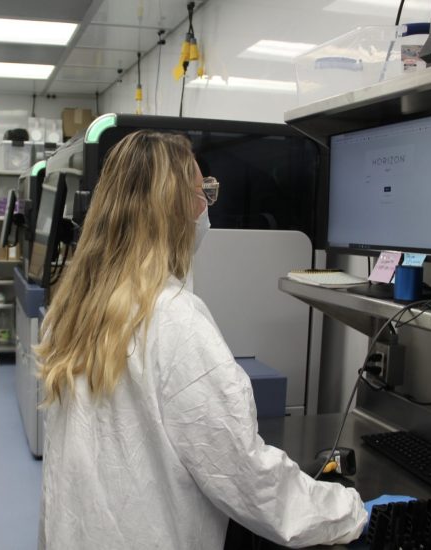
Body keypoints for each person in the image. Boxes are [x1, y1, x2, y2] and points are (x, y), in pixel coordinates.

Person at [36, 130, 411, 549]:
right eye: (203, 194)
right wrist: (349, 511)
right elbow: (241, 474)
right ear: (174, 210)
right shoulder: (173, 319)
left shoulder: (72, 308)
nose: (205, 209)